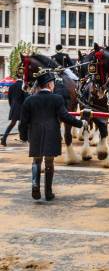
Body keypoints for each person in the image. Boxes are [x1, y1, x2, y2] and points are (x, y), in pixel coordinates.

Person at [19, 70, 85, 201]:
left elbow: (23, 122)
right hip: (52, 134)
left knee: (36, 161)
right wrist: (80, 123)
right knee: (49, 162)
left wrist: (23, 136)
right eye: (53, 83)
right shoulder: (57, 98)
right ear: (49, 85)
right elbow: (65, 117)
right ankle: (48, 193)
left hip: (35, 134)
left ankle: (35, 185)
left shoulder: (29, 100)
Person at [1, 71, 27, 146]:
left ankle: (4, 139)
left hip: (14, 107)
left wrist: (12, 106)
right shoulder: (23, 86)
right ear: (22, 77)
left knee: (12, 124)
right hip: (22, 108)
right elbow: (26, 98)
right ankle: (24, 138)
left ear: (16, 77)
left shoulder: (12, 86)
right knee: (25, 123)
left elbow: (9, 98)